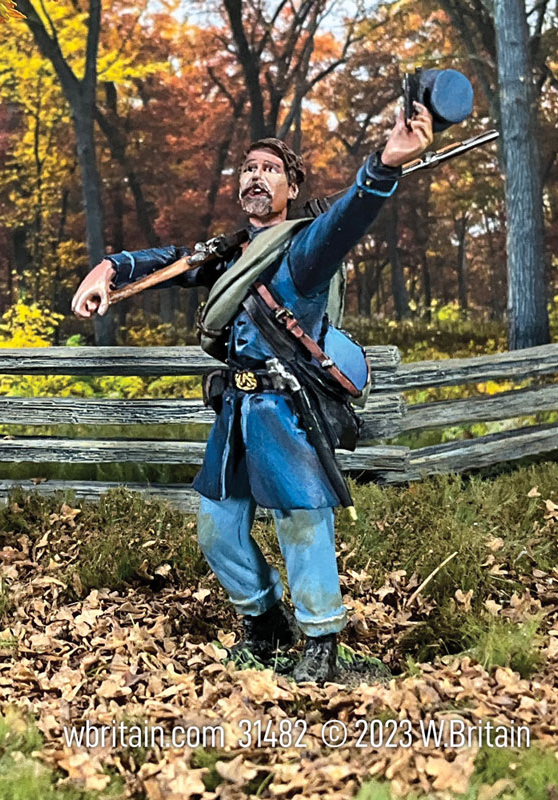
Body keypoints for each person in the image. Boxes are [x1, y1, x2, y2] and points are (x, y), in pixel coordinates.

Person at [71, 102, 434, 684]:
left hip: (285, 411)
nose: (254, 177)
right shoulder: (228, 254)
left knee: (301, 521)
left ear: (291, 187)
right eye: (247, 168)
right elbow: (171, 259)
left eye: (269, 169)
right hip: (236, 410)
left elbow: (349, 216)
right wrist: (110, 267)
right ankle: (264, 624)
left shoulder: (303, 251)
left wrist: (385, 165)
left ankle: (321, 639)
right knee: (217, 529)